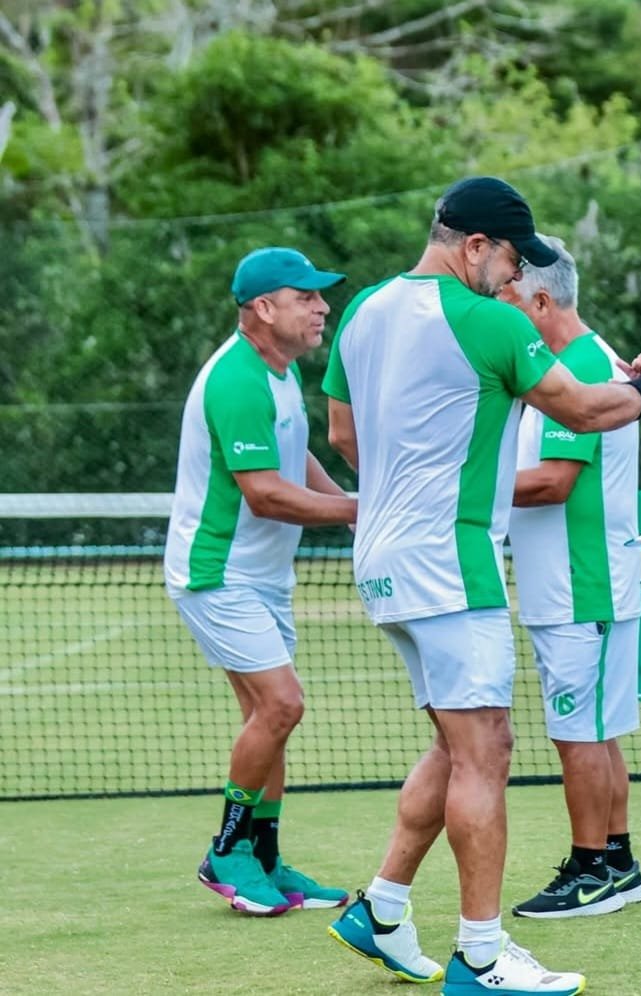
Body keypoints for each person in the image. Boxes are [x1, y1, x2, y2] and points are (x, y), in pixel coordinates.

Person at [322, 177, 641, 995]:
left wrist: (410, 482)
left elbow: (342, 433)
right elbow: (586, 410)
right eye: (510, 259)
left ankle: (381, 909)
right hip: (450, 564)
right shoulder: (490, 321)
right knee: (487, 750)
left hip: (382, 559)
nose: (516, 276)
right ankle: (482, 956)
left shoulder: (364, 310)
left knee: (455, 745)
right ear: (474, 246)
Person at [164, 247, 358, 917]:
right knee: (281, 707)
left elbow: (294, 460)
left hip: (264, 577)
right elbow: (267, 494)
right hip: (217, 574)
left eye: (320, 296)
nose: (322, 307)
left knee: (267, 719)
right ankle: (226, 852)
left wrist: (352, 508)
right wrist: (360, 512)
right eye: (306, 297)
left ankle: (265, 858)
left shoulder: (280, 373)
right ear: (264, 309)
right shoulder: (237, 380)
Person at [500, 236, 641, 920]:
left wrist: (460, 489)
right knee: (595, 728)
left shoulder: (581, 368)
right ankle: (618, 862)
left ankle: (590, 871)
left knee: (578, 734)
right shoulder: (580, 363)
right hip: (583, 584)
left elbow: (554, 482)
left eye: (506, 294)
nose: (498, 307)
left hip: (580, 585)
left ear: (540, 300)